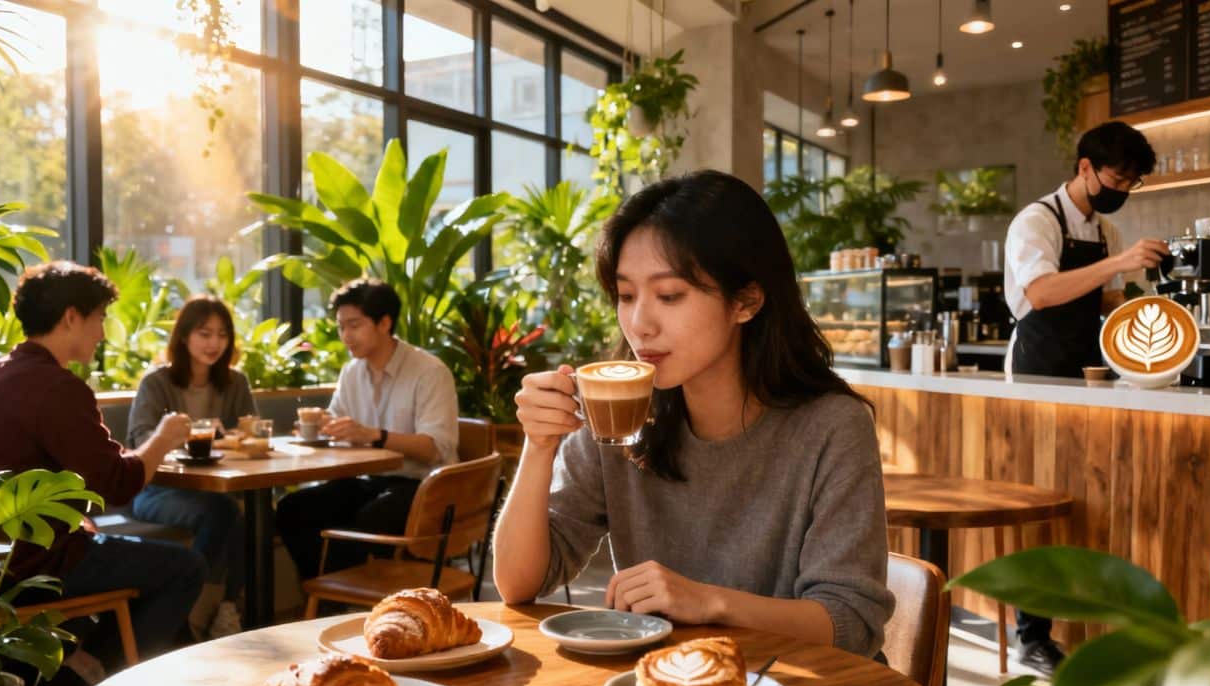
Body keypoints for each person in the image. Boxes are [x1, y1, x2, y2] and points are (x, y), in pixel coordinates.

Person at [492, 170, 894, 658]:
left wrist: (709, 602)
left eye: (669, 296)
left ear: (746, 300)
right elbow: (518, 583)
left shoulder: (832, 427)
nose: (639, 324)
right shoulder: (618, 408)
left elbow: (851, 623)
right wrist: (538, 446)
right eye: (625, 296)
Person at [0, 262, 204, 686]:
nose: (103, 333)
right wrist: (163, 439)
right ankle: (88, 684)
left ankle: (68, 668)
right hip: (39, 563)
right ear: (71, 317)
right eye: (100, 318)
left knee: (128, 553)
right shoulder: (57, 388)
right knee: (184, 568)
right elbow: (119, 483)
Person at [1002, 120, 1164, 672]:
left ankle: (1086, 628)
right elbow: (1042, 293)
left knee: (1082, 497)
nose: (1122, 191)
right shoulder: (1036, 221)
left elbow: (1105, 301)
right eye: (1117, 180)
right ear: (1085, 168)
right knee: (1040, 503)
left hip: (1087, 372)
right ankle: (1031, 636)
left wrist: (1153, 308)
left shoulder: (1104, 231)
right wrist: (1119, 263)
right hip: (1038, 372)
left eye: (1131, 183)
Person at [276, 278, 459, 582]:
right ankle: (326, 595)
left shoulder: (430, 372)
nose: (346, 336)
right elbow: (340, 425)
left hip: (422, 487)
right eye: (341, 327)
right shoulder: (352, 372)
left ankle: (340, 595)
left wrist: (374, 435)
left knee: (369, 519)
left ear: (384, 323)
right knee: (292, 509)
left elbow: (434, 448)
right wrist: (322, 425)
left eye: (354, 325)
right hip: (368, 481)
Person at [128, 296, 256, 639]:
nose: (215, 343)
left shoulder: (236, 382)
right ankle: (200, 609)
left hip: (221, 487)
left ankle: (220, 609)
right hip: (159, 490)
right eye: (204, 333)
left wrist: (228, 436)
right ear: (184, 336)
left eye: (222, 334)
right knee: (225, 513)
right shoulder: (156, 383)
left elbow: (251, 433)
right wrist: (190, 432)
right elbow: (140, 439)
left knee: (250, 511)